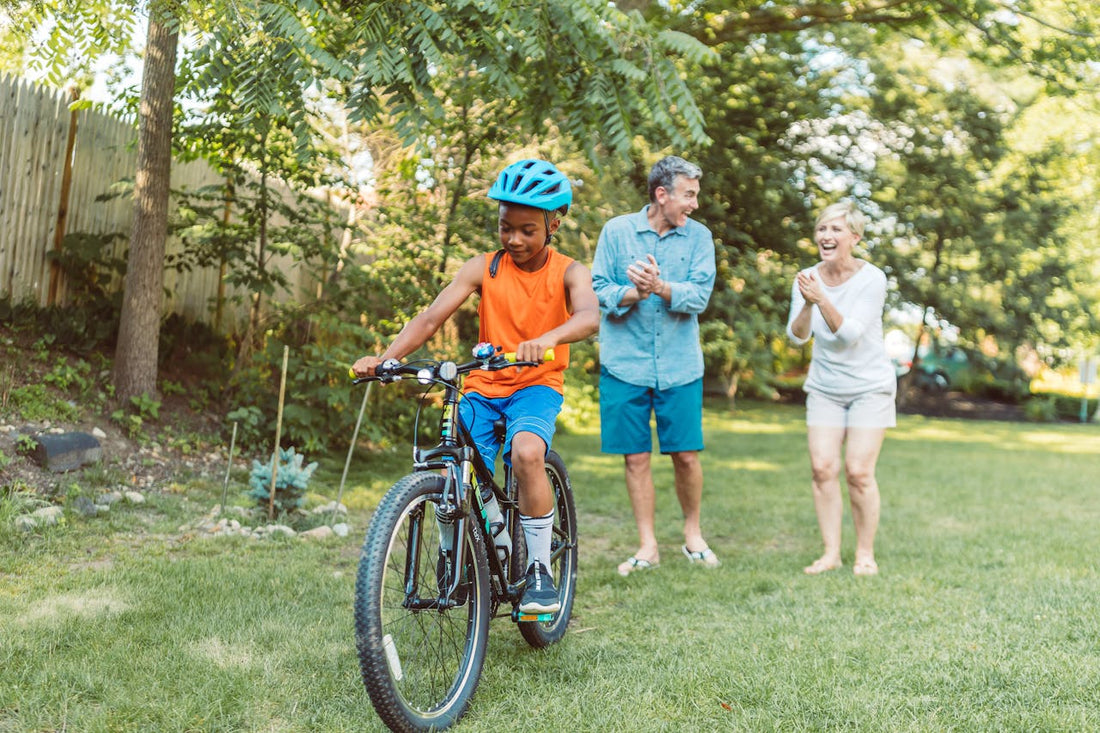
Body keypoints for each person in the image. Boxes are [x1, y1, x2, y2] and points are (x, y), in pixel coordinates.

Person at [352, 159, 599, 613]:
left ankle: (540, 569)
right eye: (506, 227)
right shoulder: (482, 268)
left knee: (527, 454)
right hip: (483, 385)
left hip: (536, 383)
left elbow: (588, 316)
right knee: (452, 469)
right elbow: (430, 318)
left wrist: (547, 339)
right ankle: (455, 557)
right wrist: (387, 359)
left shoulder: (569, 271)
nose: (514, 239)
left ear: (553, 225)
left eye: (527, 229)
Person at [591, 155, 719, 576]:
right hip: (624, 365)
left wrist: (660, 287)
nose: (695, 204)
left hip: (680, 366)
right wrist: (635, 293)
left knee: (685, 455)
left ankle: (693, 534)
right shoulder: (617, 231)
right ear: (662, 195)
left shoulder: (699, 238)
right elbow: (600, 289)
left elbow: (699, 296)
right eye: (689, 195)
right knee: (636, 458)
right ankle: (648, 545)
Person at [786, 200, 895, 577]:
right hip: (826, 387)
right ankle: (831, 553)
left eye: (835, 230)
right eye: (821, 229)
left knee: (859, 471)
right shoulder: (806, 277)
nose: (826, 236)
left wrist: (822, 300)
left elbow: (849, 335)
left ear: (854, 237)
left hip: (870, 387)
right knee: (822, 468)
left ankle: (865, 554)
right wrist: (805, 305)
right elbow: (796, 337)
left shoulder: (872, 278)